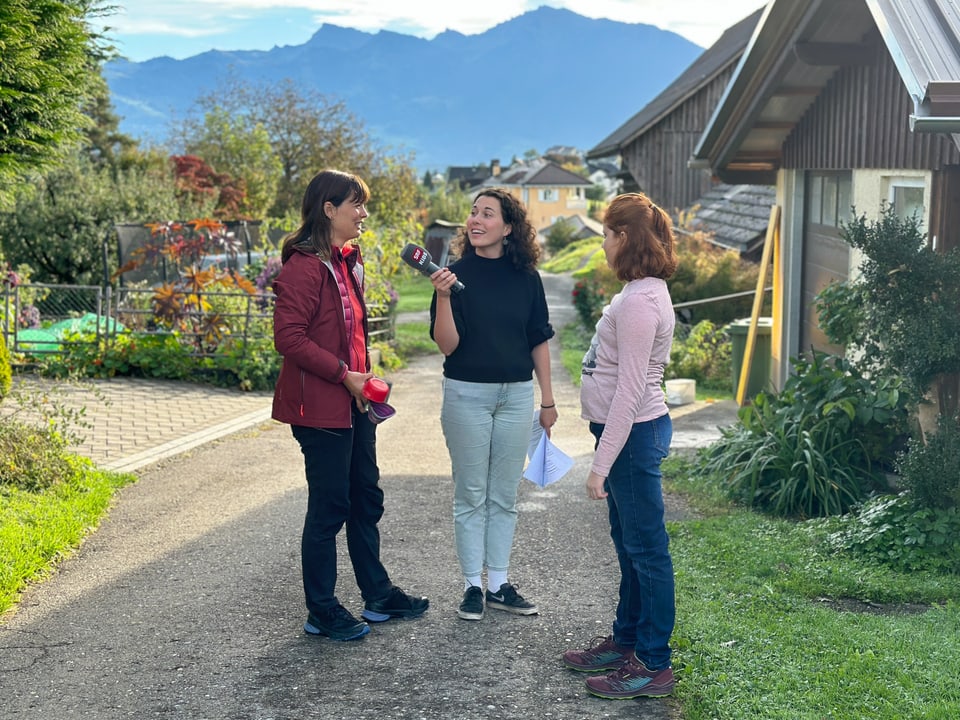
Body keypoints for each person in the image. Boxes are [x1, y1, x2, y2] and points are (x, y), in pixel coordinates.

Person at [272, 169, 428, 641]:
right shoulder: (303, 266)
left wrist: (364, 380)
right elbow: (289, 338)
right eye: (355, 205)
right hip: (319, 409)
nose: (363, 214)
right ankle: (321, 610)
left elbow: (351, 334)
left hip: (355, 405)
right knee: (330, 507)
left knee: (366, 498)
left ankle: (377, 595)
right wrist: (345, 375)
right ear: (328, 209)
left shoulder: (345, 261)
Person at [562, 193, 679, 698]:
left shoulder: (638, 303)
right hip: (629, 434)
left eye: (607, 233)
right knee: (631, 549)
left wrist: (598, 466)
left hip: (631, 436)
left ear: (624, 238)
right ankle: (627, 642)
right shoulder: (643, 291)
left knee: (647, 553)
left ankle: (652, 663)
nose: (604, 242)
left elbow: (630, 393)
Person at [428, 187, 558, 621]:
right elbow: (447, 346)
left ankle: (499, 583)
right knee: (471, 494)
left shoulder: (528, 278)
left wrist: (548, 400)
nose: (476, 220)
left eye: (488, 213)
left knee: (504, 496)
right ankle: (471, 586)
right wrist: (444, 297)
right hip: (467, 394)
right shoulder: (452, 276)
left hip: (517, 396)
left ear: (508, 227)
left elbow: (538, 338)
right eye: (473, 212)